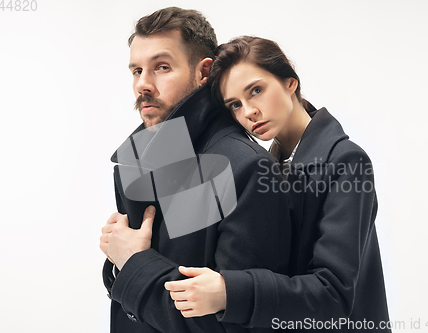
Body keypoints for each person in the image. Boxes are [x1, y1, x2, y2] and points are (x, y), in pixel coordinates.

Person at [163, 36, 391, 332]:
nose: (248, 112)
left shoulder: (347, 162)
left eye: (256, 90)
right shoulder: (264, 167)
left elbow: (333, 294)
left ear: (290, 82)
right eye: (234, 105)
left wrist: (229, 292)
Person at [99, 10, 292, 333]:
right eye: (136, 70)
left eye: (162, 67)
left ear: (204, 72)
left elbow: (235, 326)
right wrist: (120, 261)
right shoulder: (144, 158)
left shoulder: (247, 170)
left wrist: (133, 263)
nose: (143, 84)